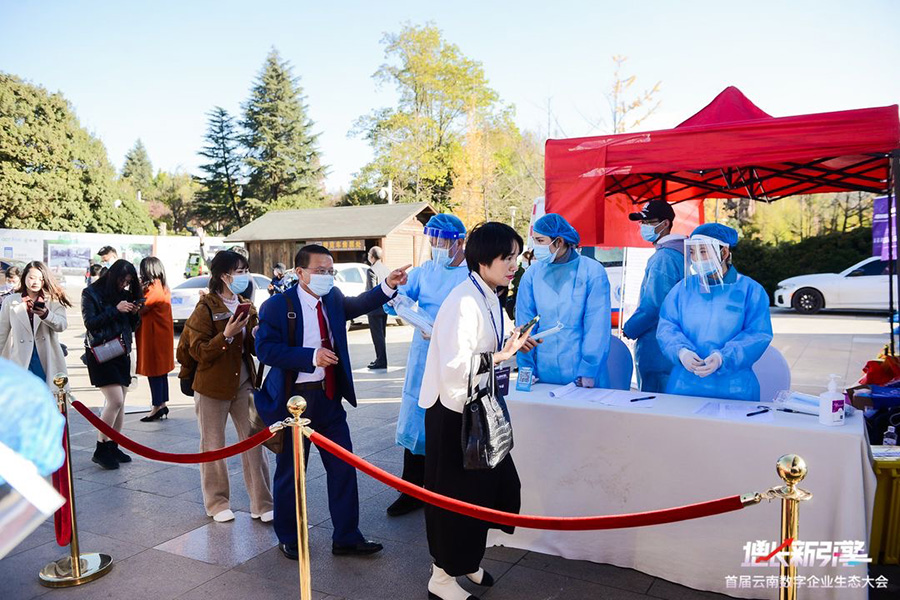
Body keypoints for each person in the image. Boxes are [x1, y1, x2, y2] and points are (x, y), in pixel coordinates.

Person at [255, 244, 409, 560]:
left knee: (343, 467)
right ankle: (289, 536)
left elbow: (358, 304)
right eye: (320, 271)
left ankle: (346, 536)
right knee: (291, 473)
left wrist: (387, 285)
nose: (326, 276)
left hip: (328, 397)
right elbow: (266, 350)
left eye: (330, 271)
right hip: (293, 401)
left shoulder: (333, 298)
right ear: (300, 272)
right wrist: (311, 356)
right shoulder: (277, 306)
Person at [418, 222, 533, 600]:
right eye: (506, 257)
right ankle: (441, 577)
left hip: (478, 406)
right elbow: (455, 366)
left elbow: (490, 344)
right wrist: (501, 355)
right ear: (483, 260)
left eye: (515, 256)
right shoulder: (463, 301)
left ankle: (466, 560)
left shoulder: (489, 295)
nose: (514, 264)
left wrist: (516, 341)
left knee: (490, 490)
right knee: (454, 499)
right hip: (453, 413)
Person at [386, 214, 469, 517]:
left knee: (448, 419)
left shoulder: (471, 275)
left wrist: (443, 331)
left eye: (441, 240)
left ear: (459, 241)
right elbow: (398, 298)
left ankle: (444, 491)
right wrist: (394, 294)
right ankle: (411, 489)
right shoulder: (425, 271)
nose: (435, 246)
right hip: (423, 354)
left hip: (453, 354)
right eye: (431, 240)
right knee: (415, 417)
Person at [184, 251, 273, 523]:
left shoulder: (246, 304)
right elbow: (198, 351)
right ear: (224, 276)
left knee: (254, 442)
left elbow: (254, 348)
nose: (244, 276)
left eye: (246, 270)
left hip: (244, 381)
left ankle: (262, 503)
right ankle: (217, 503)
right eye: (239, 271)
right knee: (213, 445)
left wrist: (257, 335)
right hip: (212, 385)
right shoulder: (206, 307)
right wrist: (226, 336)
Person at [657, 223, 773, 402]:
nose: (696, 259)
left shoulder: (750, 290)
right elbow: (667, 326)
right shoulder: (682, 289)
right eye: (693, 252)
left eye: (703, 252)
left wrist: (723, 358)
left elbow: (757, 334)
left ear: (724, 253)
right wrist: (681, 352)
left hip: (734, 390)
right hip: (685, 387)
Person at [515, 213, 612, 388]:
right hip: (543, 373)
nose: (535, 247)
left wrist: (588, 371)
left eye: (540, 241)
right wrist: (526, 369)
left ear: (559, 241)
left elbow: (597, 327)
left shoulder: (592, 272)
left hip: (581, 374)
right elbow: (525, 326)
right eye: (534, 241)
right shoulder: (532, 275)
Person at [81, 259, 142, 470]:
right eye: (122, 280)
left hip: (122, 351)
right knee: (115, 400)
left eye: (128, 281)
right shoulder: (90, 293)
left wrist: (134, 313)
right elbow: (90, 323)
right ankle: (101, 448)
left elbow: (131, 326)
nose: (124, 285)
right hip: (101, 353)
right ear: (112, 276)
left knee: (121, 402)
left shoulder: (125, 294)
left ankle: (113, 445)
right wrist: (116, 309)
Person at [622, 200, 687, 393]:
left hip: (657, 346)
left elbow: (654, 306)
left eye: (649, 222)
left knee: (654, 400)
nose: (643, 227)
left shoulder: (664, 258)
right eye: (642, 222)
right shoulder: (681, 254)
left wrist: (631, 328)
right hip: (675, 343)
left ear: (665, 223)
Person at [0, 262, 71, 389]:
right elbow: (2, 333)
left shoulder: (53, 300)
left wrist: (46, 315)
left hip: (47, 356)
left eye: (41, 279)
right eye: (32, 277)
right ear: (24, 277)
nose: (36, 282)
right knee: (23, 395)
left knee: (47, 394)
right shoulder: (11, 301)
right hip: (21, 357)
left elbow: (62, 325)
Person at [136, 257, 175, 422]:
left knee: (154, 372)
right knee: (161, 372)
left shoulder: (152, 289)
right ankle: (162, 404)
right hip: (161, 335)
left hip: (153, 336)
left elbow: (140, 309)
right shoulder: (163, 286)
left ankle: (156, 406)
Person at [365, 246, 391, 370]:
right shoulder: (386, 269)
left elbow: (372, 290)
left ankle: (381, 361)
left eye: (369, 254)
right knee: (382, 335)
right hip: (385, 307)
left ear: (372, 256)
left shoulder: (371, 270)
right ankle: (381, 359)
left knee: (377, 336)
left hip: (374, 308)